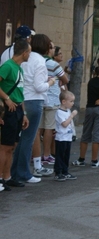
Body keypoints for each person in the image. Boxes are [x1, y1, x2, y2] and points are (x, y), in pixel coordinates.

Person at [11, 34, 56, 184]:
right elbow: (39, 86)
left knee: (21, 138)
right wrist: (50, 83)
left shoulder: (21, 59)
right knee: (28, 138)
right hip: (34, 100)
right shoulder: (40, 61)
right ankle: (23, 172)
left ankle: (14, 171)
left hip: (20, 98)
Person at [0, 39, 31, 191]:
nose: (30, 55)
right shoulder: (8, 66)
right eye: (29, 52)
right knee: (5, 146)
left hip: (18, 110)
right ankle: (0, 178)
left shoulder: (20, 69)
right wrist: (6, 99)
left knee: (12, 145)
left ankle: (7, 177)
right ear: (24, 53)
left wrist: (24, 113)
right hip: (9, 110)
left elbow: (20, 93)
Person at [72, 63, 99, 168]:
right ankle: (94, 160)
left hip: (89, 108)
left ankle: (81, 159)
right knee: (97, 135)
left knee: (86, 133)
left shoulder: (91, 81)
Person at [37, 41, 68, 173]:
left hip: (38, 97)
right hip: (52, 98)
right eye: (53, 48)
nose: (53, 49)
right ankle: (46, 155)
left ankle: (36, 155)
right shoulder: (53, 64)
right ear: (48, 49)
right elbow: (65, 79)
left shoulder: (35, 62)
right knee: (49, 128)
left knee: (38, 129)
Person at [53, 91, 78, 181]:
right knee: (60, 155)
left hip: (67, 137)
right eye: (71, 101)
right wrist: (71, 116)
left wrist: (73, 133)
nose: (73, 103)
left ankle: (65, 171)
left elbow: (70, 124)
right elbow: (64, 124)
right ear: (64, 102)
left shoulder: (67, 110)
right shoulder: (59, 112)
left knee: (66, 155)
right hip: (61, 138)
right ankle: (58, 172)